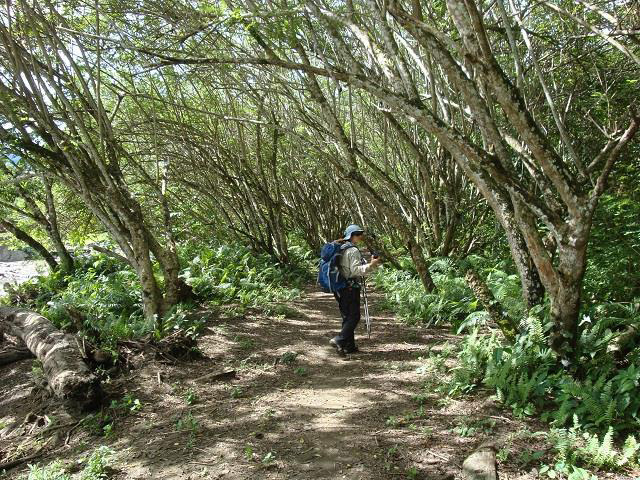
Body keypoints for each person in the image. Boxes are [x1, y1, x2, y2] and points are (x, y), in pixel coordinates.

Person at [329, 224, 382, 355]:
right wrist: (372, 265)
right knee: (354, 316)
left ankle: (349, 346)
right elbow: (355, 271)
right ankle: (339, 340)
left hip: (340, 286)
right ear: (352, 235)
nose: (360, 237)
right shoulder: (352, 250)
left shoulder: (342, 247)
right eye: (358, 234)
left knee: (347, 316)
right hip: (350, 288)